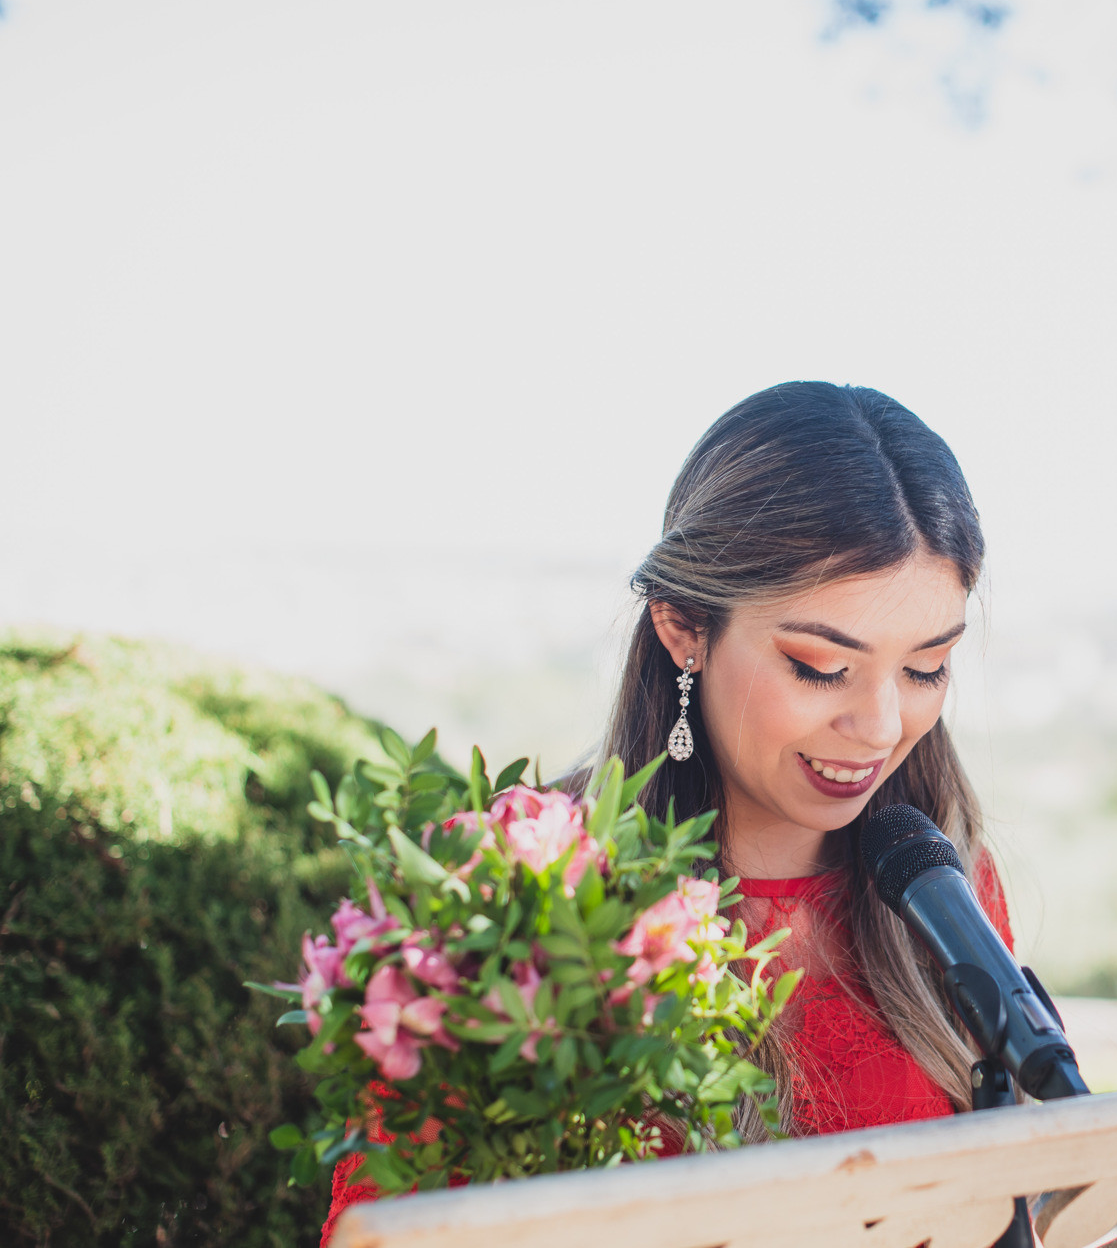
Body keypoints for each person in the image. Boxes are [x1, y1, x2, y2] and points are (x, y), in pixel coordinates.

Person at [322, 381, 1015, 1243]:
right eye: (820, 667)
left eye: (925, 669)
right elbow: (390, 1218)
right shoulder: (527, 884)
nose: (879, 725)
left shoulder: (950, 896)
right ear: (684, 626)